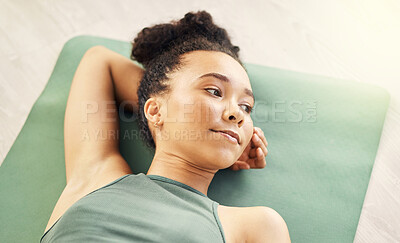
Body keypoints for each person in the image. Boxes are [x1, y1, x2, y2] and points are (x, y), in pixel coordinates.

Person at [41, 10, 291, 242]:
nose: (237, 113)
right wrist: (163, 97)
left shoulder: (256, 226)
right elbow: (100, 60)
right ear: (154, 109)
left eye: (246, 107)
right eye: (214, 91)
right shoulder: (95, 178)